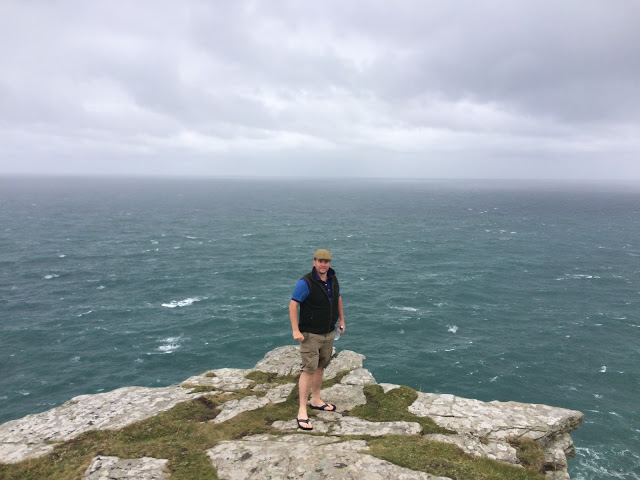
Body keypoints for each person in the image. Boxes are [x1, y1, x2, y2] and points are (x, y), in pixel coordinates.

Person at [289, 248, 345, 431]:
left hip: (328, 333)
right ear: (314, 262)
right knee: (309, 369)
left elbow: (337, 298)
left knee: (321, 366)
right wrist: (296, 330)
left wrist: (342, 320)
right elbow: (293, 304)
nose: (323, 264)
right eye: (320, 261)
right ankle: (302, 411)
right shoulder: (306, 282)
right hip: (310, 334)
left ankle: (316, 399)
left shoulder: (332, 278)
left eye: (326, 261)